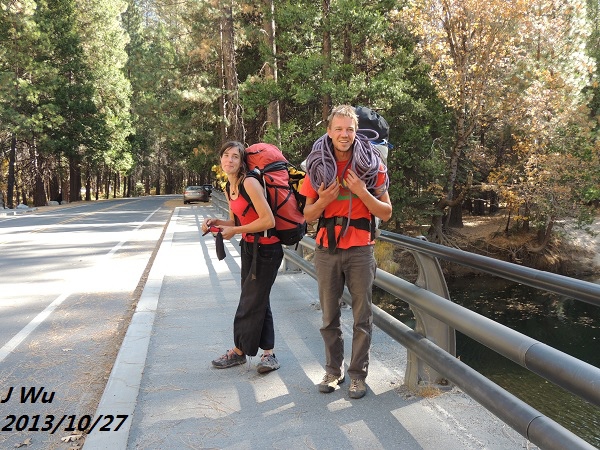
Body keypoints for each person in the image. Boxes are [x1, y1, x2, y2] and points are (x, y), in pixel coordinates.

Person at [300, 105, 392, 399]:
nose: (344, 135)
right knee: (329, 318)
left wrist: (362, 192)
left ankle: (357, 376)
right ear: (329, 131)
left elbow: (386, 212)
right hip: (327, 249)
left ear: (356, 132)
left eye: (349, 130)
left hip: (361, 251)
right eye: (338, 129)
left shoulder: (371, 165)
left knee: (362, 318)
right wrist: (325, 199)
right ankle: (332, 371)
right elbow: (307, 216)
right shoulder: (318, 165)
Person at [202, 141, 284, 374]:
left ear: (241, 162)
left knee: (249, 302)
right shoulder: (230, 186)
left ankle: (239, 352)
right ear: (220, 160)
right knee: (259, 300)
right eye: (226, 155)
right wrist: (216, 223)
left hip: (267, 250)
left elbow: (268, 221)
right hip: (249, 248)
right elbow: (238, 221)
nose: (229, 160)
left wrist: (235, 231)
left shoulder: (249, 182)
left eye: (235, 157)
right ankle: (269, 355)